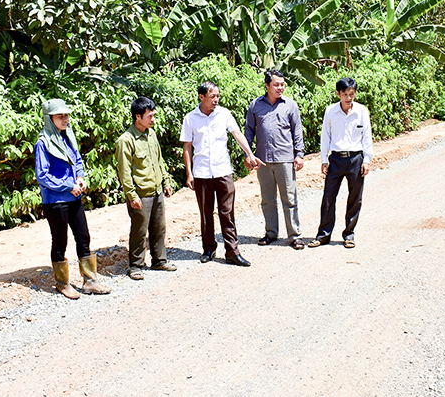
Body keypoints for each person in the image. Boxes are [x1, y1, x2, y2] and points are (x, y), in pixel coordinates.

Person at [180, 81, 264, 266]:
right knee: (205, 213)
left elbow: (237, 134)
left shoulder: (224, 114)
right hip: (201, 172)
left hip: (223, 170)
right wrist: (189, 173)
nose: (216, 99)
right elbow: (187, 146)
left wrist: (249, 154)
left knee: (227, 212)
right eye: (212, 96)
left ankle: (232, 252)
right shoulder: (190, 118)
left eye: (218, 96)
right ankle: (208, 249)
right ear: (201, 97)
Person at [34, 99, 111, 299]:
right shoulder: (43, 143)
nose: (65, 119)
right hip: (55, 201)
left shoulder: (68, 137)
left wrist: (79, 177)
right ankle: (62, 284)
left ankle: (90, 281)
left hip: (74, 196)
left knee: (83, 237)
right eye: (59, 116)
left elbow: (77, 160)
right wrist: (69, 186)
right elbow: (42, 176)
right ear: (49, 119)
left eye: (66, 115)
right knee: (60, 241)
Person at [115, 96, 177, 281]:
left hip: (156, 190)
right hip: (141, 194)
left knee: (159, 228)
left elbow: (159, 160)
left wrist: (166, 182)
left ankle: (159, 260)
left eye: (153, 115)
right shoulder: (126, 140)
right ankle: (136, 266)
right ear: (138, 117)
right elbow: (124, 171)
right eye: (149, 116)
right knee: (139, 231)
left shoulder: (152, 134)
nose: (153, 119)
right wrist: (131, 195)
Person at [244, 69, 306, 250]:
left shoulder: (290, 105)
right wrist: (248, 154)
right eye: (276, 84)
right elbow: (249, 131)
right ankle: (271, 233)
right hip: (263, 160)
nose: (280, 88)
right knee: (267, 199)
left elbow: (297, 131)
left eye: (282, 84)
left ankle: (294, 236)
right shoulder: (256, 105)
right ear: (267, 85)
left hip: (285, 158)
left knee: (289, 198)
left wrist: (299, 154)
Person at [309, 78, 374, 249]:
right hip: (336, 159)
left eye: (352, 94)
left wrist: (367, 160)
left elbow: (367, 137)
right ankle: (323, 235)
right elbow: (325, 136)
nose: (349, 98)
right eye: (345, 94)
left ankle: (349, 234)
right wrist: (324, 160)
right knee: (328, 197)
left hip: (356, 159)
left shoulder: (361, 111)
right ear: (338, 94)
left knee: (355, 198)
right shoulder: (331, 111)